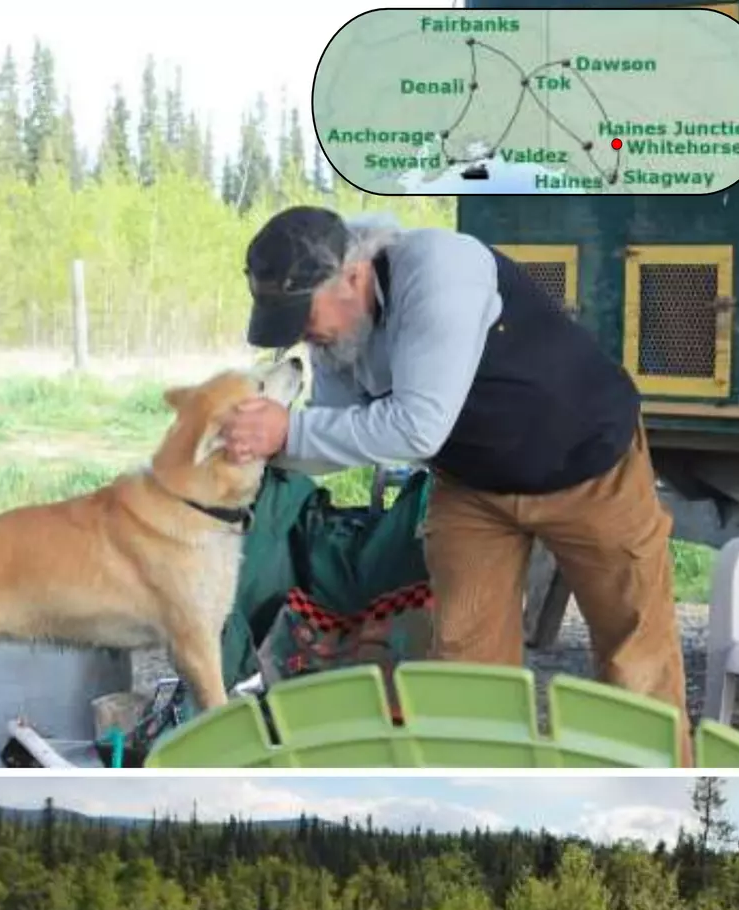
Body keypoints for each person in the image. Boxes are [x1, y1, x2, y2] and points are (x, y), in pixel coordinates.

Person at [221, 205, 690, 759]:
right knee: (465, 663)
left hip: (588, 465)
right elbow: (334, 434)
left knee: (635, 655)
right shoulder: (336, 338)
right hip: (472, 485)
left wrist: (287, 433)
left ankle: (667, 809)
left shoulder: (441, 268)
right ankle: (482, 811)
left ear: (352, 274)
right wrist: (250, 452)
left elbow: (417, 426)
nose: (302, 335)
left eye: (303, 313)